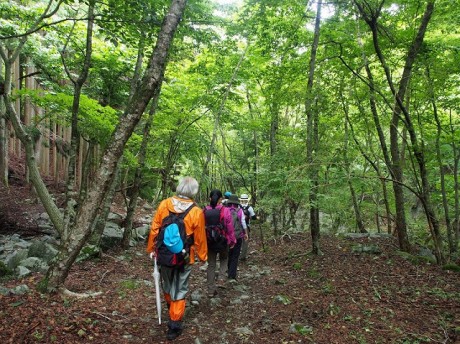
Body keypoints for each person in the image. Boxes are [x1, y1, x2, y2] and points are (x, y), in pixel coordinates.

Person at [146, 176, 207, 341]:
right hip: (184, 257)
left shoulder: (164, 204)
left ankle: (171, 309)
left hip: (164, 255)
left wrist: (152, 249)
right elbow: (200, 238)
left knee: (167, 284)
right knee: (180, 289)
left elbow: (155, 229)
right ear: (194, 191)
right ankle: (174, 325)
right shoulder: (196, 211)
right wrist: (203, 256)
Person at [204, 189, 236, 297]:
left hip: (209, 241)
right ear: (221, 199)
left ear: (210, 198)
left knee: (211, 265)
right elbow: (229, 227)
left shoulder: (204, 210)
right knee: (224, 259)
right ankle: (222, 278)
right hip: (223, 240)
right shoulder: (225, 210)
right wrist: (232, 240)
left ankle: (210, 290)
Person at [226, 194, 248, 281]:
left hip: (227, 236)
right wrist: (246, 233)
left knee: (229, 254)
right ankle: (232, 275)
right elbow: (243, 223)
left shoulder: (225, 210)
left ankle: (228, 270)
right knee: (235, 255)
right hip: (238, 236)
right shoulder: (240, 211)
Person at [239, 193, 257, 261]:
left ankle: (236, 254)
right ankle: (243, 256)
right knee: (245, 242)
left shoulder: (237, 207)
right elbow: (254, 217)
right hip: (246, 226)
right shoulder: (249, 208)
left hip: (237, 227)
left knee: (238, 241)